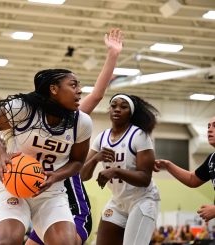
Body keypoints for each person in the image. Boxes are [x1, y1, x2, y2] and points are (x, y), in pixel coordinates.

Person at [0, 67, 93, 245]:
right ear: (53, 89)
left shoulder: (81, 122)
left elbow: (77, 162)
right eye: (73, 85)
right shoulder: (22, 109)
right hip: (13, 188)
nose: (79, 90)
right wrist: (2, 155)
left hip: (51, 192)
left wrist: (55, 175)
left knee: (65, 243)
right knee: (6, 241)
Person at [26, 28, 123, 245]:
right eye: (73, 85)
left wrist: (113, 55)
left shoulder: (73, 119)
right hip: (46, 207)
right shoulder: (30, 123)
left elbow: (96, 95)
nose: (78, 90)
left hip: (73, 207)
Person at [80, 93, 161, 245]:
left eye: (123, 107)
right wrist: (95, 159)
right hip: (118, 201)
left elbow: (145, 179)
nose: (117, 109)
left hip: (142, 199)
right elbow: (82, 176)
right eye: (113, 106)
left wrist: (116, 171)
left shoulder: (139, 136)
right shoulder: (101, 138)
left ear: (131, 113)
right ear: (109, 109)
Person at [154, 116, 215, 222]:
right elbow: (192, 179)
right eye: (208, 126)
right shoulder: (212, 159)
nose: (209, 129)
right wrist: (168, 165)